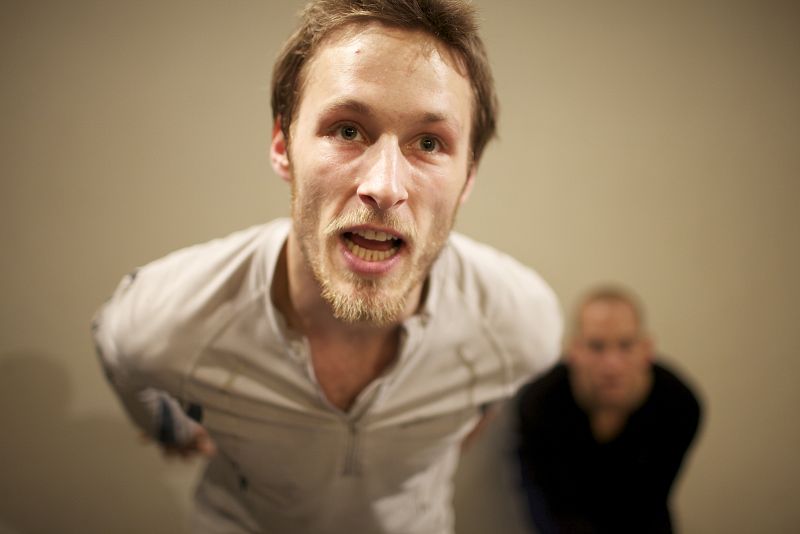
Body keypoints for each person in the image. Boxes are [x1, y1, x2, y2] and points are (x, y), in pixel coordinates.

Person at [91, 1, 563, 533]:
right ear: (283, 146)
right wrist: (167, 427)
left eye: (429, 143)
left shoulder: (520, 323)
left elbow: (490, 400)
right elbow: (116, 344)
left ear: (468, 177)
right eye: (347, 130)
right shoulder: (172, 316)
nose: (384, 187)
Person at [515, 286, 702, 533]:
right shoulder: (540, 404)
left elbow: (649, 501)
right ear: (574, 351)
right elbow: (552, 507)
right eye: (596, 346)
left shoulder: (678, 404)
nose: (612, 365)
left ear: (646, 350)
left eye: (625, 345)